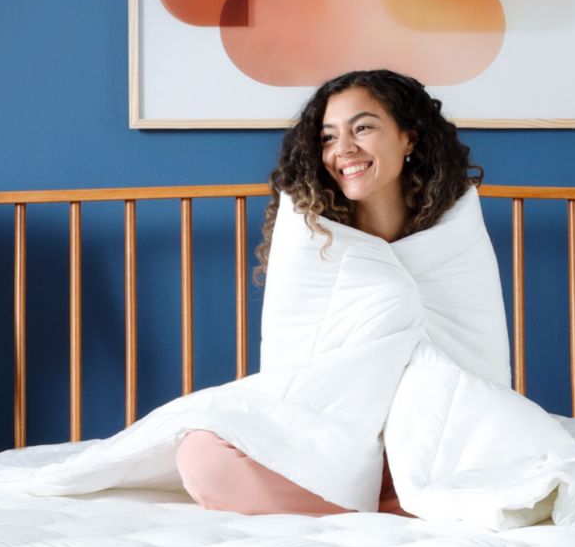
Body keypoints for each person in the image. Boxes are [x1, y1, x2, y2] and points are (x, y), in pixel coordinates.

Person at [175, 69, 482, 516]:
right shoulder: (309, 232)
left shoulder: (453, 231)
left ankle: (399, 494)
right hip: (334, 434)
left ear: (409, 138)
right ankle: (391, 506)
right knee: (201, 455)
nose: (344, 150)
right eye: (328, 137)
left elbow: (476, 355)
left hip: (422, 435)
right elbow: (292, 368)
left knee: (483, 446)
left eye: (363, 128)